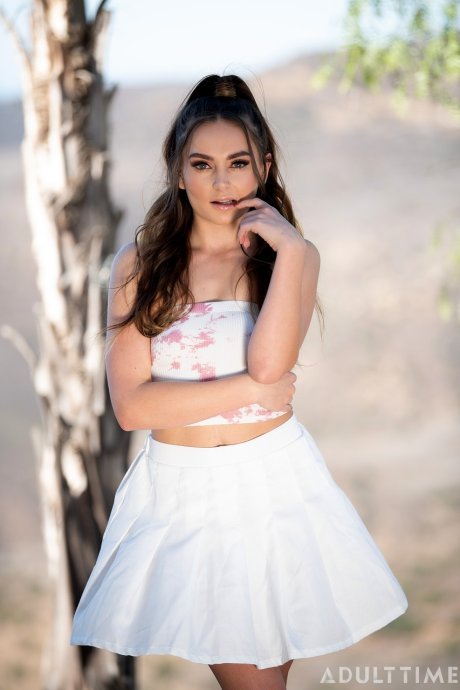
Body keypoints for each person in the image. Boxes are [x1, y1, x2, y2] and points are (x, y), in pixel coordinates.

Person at [70, 74, 408, 690]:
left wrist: (293, 250)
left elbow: (271, 367)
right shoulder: (141, 266)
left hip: (277, 481)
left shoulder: (287, 259)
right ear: (178, 172)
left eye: (238, 163)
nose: (221, 182)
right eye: (202, 164)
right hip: (185, 494)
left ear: (264, 168)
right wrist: (250, 393)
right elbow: (134, 407)